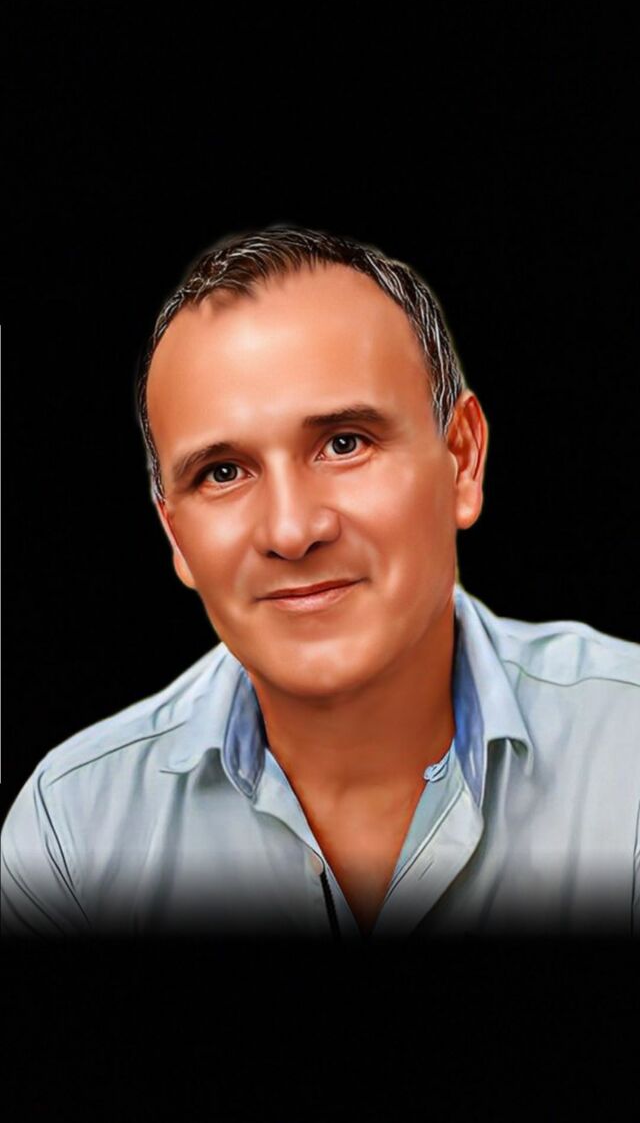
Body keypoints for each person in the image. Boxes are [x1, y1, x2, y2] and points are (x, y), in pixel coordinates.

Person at [2, 224, 638, 941]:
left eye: (343, 443)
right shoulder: (71, 837)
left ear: (461, 459)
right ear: (175, 536)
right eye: (222, 472)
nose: (291, 530)